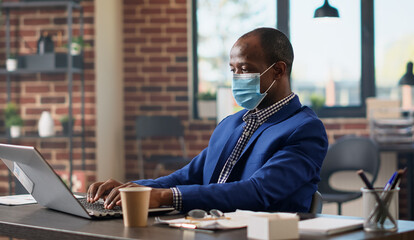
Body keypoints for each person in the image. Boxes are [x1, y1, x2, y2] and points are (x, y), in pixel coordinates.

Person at [87, 27, 328, 213]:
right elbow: (187, 176)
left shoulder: (304, 129)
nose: (237, 78)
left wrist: (165, 197)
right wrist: (131, 189)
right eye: (233, 70)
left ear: (278, 70)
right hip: (210, 228)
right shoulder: (231, 124)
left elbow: (258, 191)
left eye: (244, 69)